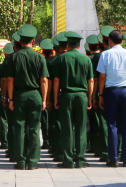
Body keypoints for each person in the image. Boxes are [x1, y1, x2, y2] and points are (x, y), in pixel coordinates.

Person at [7, 24, 49, 170]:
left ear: (20, 40)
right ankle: (32, 161)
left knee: (19, 128)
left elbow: (10, 80)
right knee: (34, 128)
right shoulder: (40, 57)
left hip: (19, 95)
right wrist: (44, 99)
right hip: (35, 94)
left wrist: (10, 98)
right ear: (33, 41)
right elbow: (44, 80)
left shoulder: (14, 57)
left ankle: (20, 161)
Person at [97, 29, 126, 167]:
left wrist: (101, 94)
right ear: (123, 41)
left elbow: (102, 77)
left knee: (112, 125)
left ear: (110, 41)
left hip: (111, 92)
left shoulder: (105, 55)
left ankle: (113, 158)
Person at [53, 31, 94, 168]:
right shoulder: (86, 59)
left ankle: (68, 159)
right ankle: (81, 159)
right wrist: (90, 98)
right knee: (81, 128)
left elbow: (57, 80)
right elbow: (91, 81)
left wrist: (55, 98)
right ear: (79, 45)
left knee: (67, 128)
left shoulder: (61, 58)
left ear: (68, 44)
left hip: (66, 95)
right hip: (82, 95)